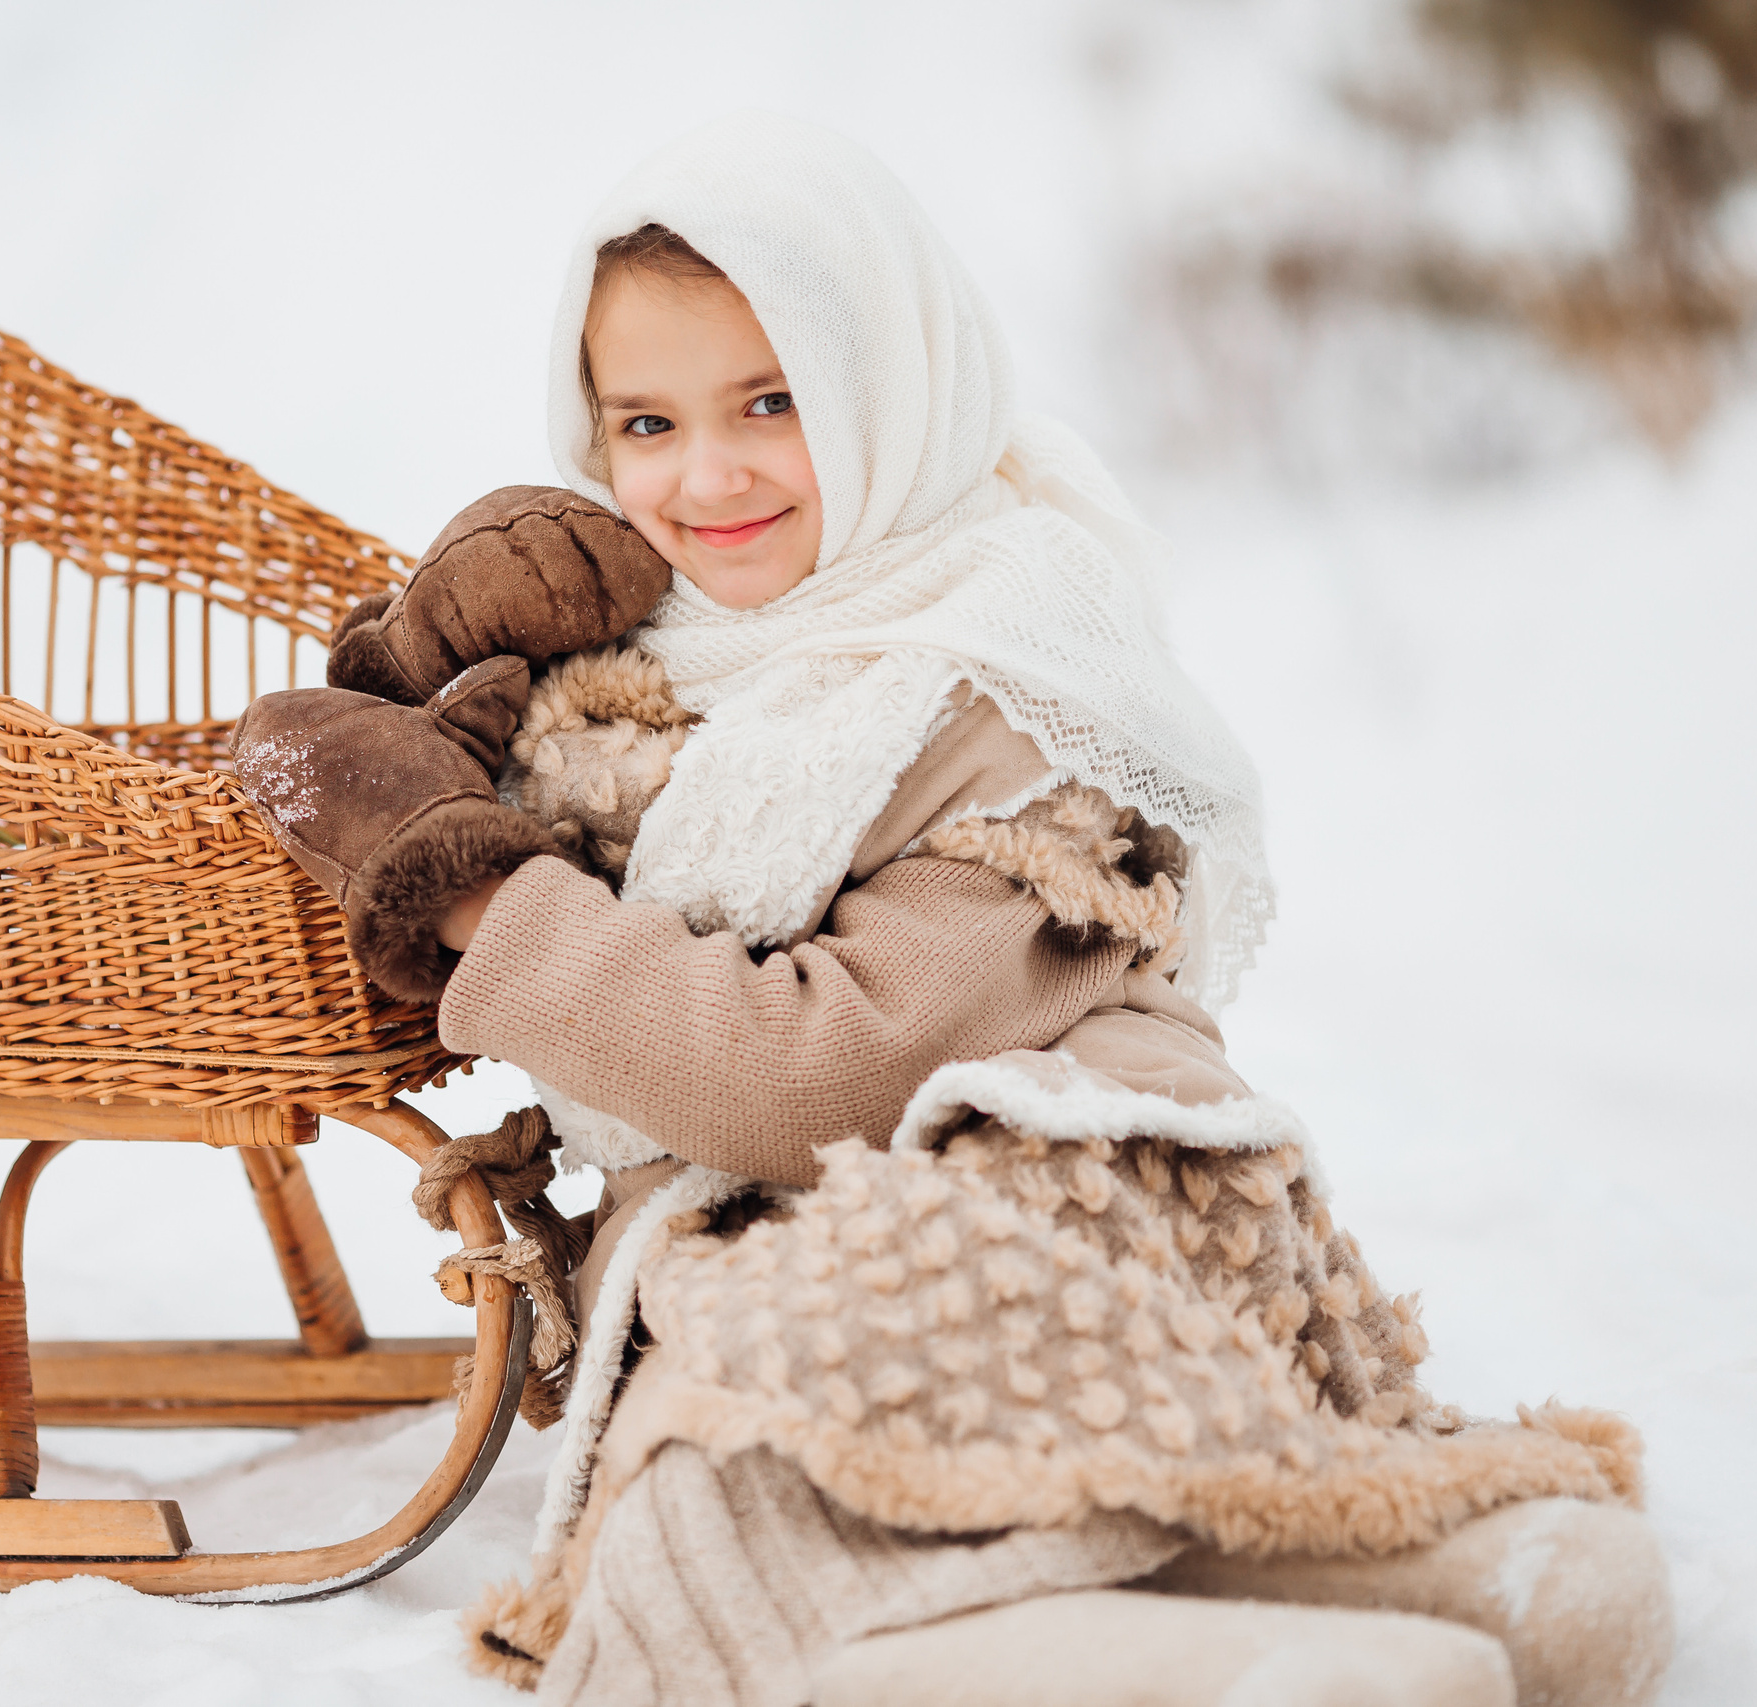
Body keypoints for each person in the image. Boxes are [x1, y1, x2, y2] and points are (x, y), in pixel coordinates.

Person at [232, 116, 1672, 1707]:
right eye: (645, 421)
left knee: (740, 1466)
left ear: (886, 388)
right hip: (852, 1204)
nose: (705, 476)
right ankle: (1373, 1592)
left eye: (773, 402)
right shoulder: (657, 660)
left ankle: (1227, 1624)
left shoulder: (1001, 671)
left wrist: (482, 890)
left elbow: (816, 1075)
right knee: (853, 1419)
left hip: (1038, 1185)